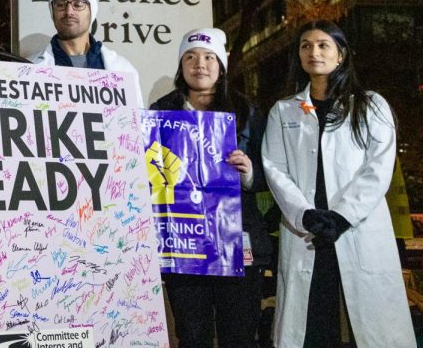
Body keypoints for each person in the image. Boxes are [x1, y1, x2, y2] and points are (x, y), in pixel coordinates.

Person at [262, 20, 412, 348]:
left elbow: (378, 168)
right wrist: (305, 215)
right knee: (312, 325)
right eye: (305, 45)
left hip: (356, 228)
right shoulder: (283, 110)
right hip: (309, 232)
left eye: (323, 45)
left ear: (341, 54)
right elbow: (275, 170)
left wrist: (342, 216)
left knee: (374, 328)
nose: (313, 52)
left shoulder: (371, 105)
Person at [151, 28, 270, 348]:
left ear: (221, 65)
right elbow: (146, 173)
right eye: (190, 57)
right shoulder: (160, 112)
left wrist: (248, 172)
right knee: (192, 334)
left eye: (208, 57)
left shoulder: (247, 111)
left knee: (240, 335)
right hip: (184, 245)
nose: (199, 64)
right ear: (180, 66)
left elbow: (271, 174)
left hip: (239, 243)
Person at [28, 0, 141, 103]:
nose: (69, 11)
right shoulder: (29, 68)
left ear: (91, 11)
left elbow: (135, 121)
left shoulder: (123, 69)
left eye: (78, 4)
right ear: (52, 12)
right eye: (60, 4)